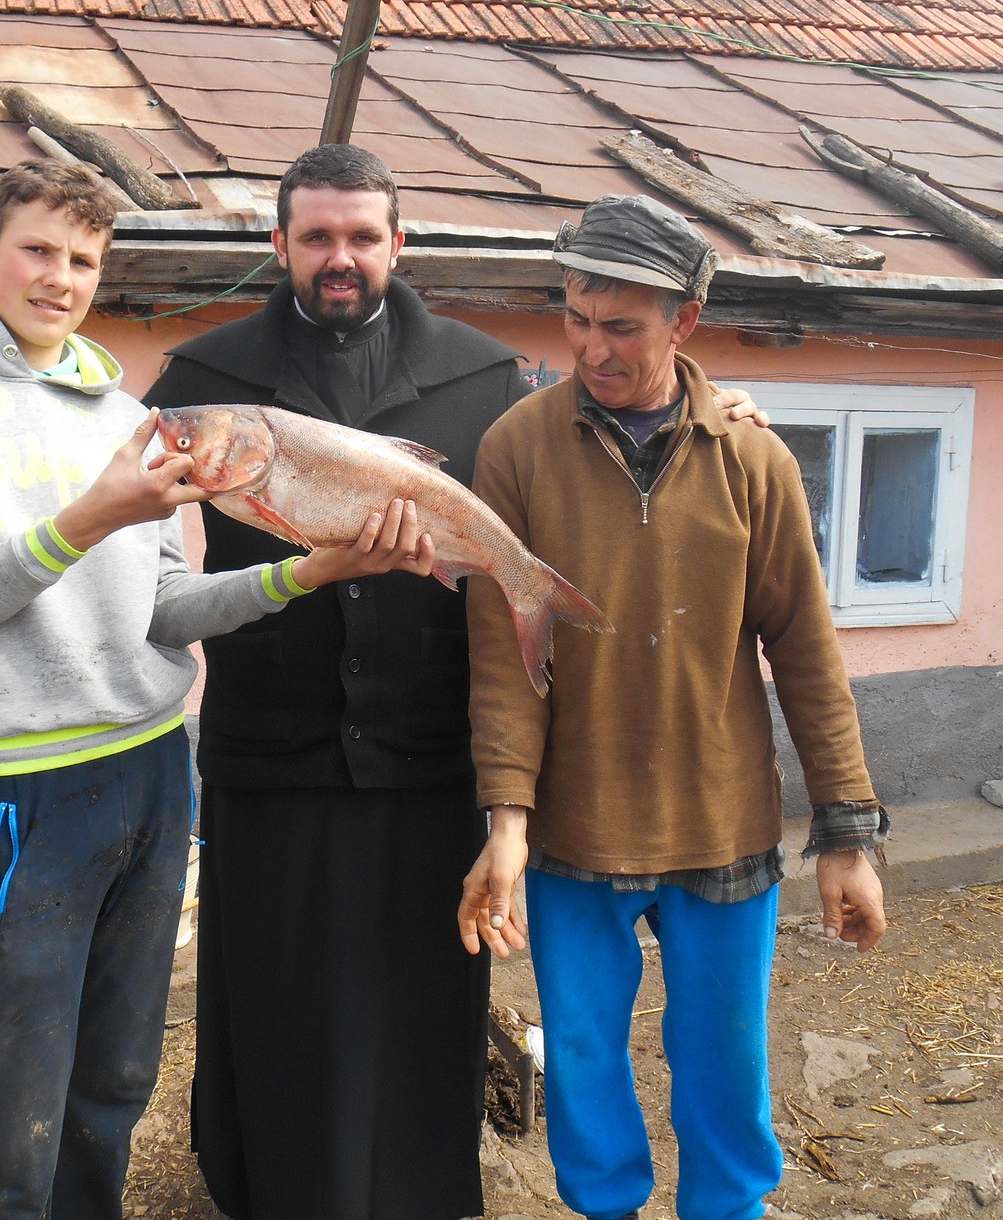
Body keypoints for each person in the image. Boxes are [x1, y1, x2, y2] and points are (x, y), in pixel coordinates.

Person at [143, 146, 768, 1220]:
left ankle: (423, 1196)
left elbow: (594, 455)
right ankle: (280, 1193)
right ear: (281, 244)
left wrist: (717, 408)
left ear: (399, 242)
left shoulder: (484, 374)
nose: (340, 257)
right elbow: (140, 546)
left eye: (362, 236)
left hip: (427, 753)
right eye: (316, 236)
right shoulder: (205, 382)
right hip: (272, 750)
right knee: (280, 1001)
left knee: (421, 1003)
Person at [0, 159, 430, 1220]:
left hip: (155, 776)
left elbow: (163, 606)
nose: (58, 276)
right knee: (14, 1110)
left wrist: (306, 571)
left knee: (115, 1080)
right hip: (23, 796)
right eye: (35, 249)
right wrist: (92, 514)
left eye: (82, 258)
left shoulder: (128, 413)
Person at [458, 194, 888, 1220]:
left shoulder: (753, 457)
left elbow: (809, 653)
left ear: (684, 321)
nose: (591, 347)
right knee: (588, 1068)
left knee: (725, 1069)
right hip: (574, 825)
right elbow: (503, 658)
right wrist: (506, 824)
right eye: (576, 318)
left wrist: (846, 832)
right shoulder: (517, 449)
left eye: (622, 326)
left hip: (722, 819)